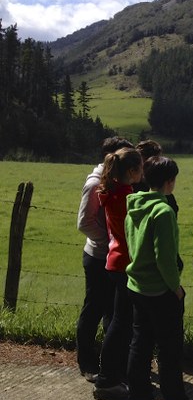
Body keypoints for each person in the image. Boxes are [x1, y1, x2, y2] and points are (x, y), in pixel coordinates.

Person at [125, 156, 193, 400]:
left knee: (140, 345)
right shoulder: (163, 212)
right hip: (160, 291)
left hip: (136, 285)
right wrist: (176, 288)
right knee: (170, 352)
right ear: (170, 181)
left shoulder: (133, 205)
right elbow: (165, 258)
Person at [75, 136, 133, 381]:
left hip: (113, 257)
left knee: (113, 311)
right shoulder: (95, 183)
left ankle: (112, 364)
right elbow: (84, 223)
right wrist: (112, 239)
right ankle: (87, 362)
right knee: (94, 309)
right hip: (99, 256)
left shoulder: (115, 181)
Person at [93, 146, 143, 400]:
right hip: (125, 263)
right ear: (133, 171)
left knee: (117, 321)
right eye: (141, 168)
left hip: (113, 261)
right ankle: (107, 380)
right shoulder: (127, 196)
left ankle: (112, 374)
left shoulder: (111, 191)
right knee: (121, 324)